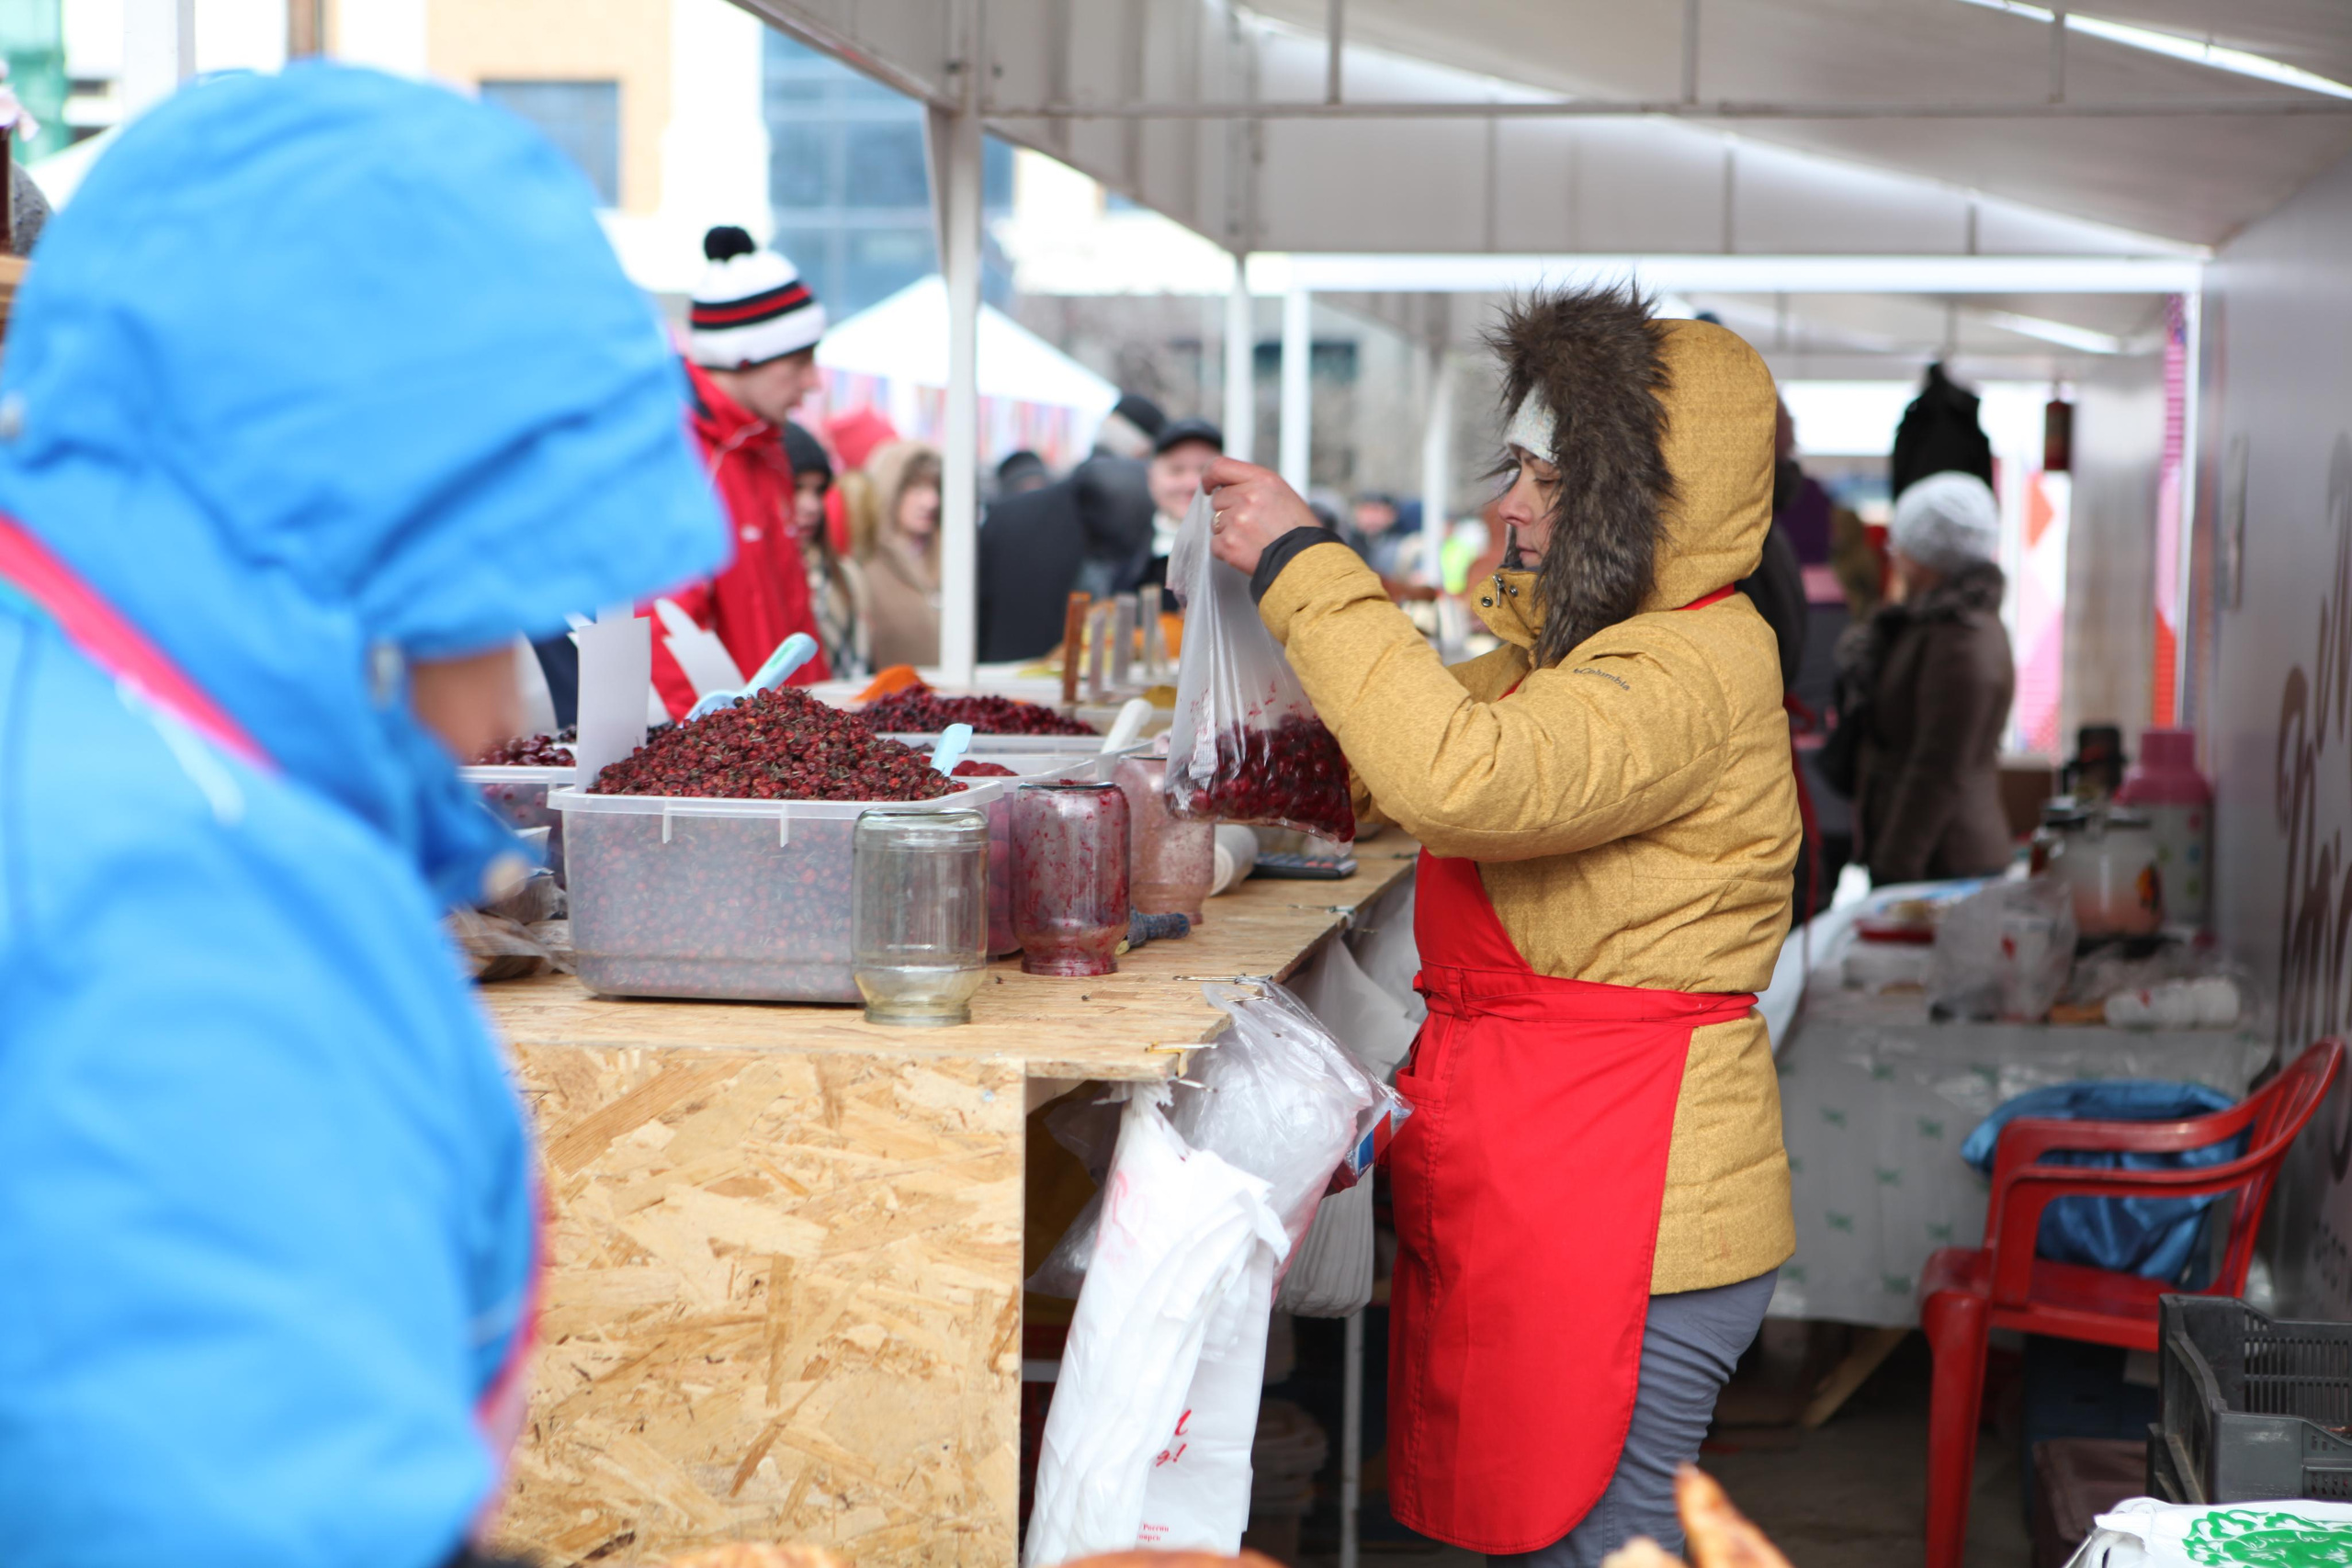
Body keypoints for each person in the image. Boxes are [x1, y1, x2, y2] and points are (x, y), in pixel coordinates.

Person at [0, 65, 727, 1566]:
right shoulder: (171, 902)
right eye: (491, 593)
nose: (505, 706)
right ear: (364, 522)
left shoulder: (81, 700)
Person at [1201, 285, 1798, 1568]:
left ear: (1649, 502)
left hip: (1632, 1198)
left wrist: (1307, 566)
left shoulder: (1685, 666)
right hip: (1555, 1163)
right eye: (1516, 469)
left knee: (1604, 1544)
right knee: (1552, 1539)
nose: (1513, 506)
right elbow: (1390, 750)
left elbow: (1458, 776)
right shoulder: (1580, 659)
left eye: (1552, 478)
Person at [650, 224, 830, 716]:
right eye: (800, 361)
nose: (814, 381)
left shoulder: (765, 450)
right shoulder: (674, 453)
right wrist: (713, 745)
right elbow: (663, 638)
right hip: (725, 753)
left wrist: (823, 727)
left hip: (780, 745)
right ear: (745, 356)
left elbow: (795, 624)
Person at [1831, 470, 2015, 884]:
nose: (1892, 552)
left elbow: (1938, 768)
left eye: (1900, 542)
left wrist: (1895, 868)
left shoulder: (1959, 638)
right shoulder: (1935, 625)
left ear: (1924, 555)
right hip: (1934, 858)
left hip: (1945, 864)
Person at [974, 392, 1164, 662]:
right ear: (1142, 452)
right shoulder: (1131, 523)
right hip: (1040, 671)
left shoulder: (1008, 514)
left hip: (1005, 672)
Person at [780, 421, 869, 681]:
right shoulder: (752, 578)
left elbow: (859, 667)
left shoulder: (846, 576)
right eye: (796, 487)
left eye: (819, 491)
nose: (812, 506)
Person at [860, 438, 944, 669]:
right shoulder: (865, 564)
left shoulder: (953, 557)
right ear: (889, 490)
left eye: (936, 487)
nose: (931, 501)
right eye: (916, 488)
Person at [1132, 416, 1223, 591]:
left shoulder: (1244, 556)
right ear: (1151, 477)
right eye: (1176, 470)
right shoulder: (1123, 550)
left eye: (1204, 470)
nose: (1191, 484)